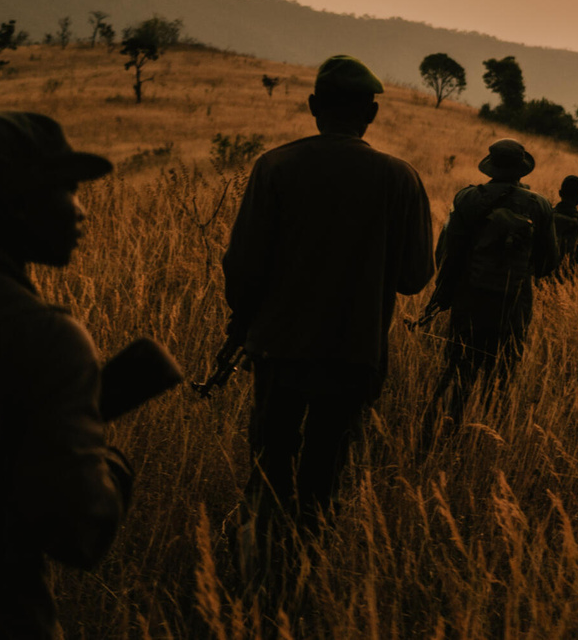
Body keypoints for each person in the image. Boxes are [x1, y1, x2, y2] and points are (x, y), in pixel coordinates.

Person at [0, 111, 134, 640]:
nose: (81, 210)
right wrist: (111, 463)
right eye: (65, 190)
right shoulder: (45, 336)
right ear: (16, 204)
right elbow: (78, 534)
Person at [222, 55, 434, 547]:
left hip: (279, 349)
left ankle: (258, 572)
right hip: (354, 355)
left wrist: (247, 326)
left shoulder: (275, 165)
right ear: (372, 114)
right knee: (324, 475)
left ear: (314, 105)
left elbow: (242, 267)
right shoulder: (400, 178)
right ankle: (304, 567)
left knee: (269, 468)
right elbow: (414, 278)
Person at [425, 138, 558, 432]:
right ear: (521, 170)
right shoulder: (540, 206)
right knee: (502, 375)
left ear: (491, 166)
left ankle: (449, 428)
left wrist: (442, 296)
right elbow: (549, 263)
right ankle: (488, 433)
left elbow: (447, 253)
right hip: (514, 305)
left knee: (460, 370)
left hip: (469, 300)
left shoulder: (468, 199)